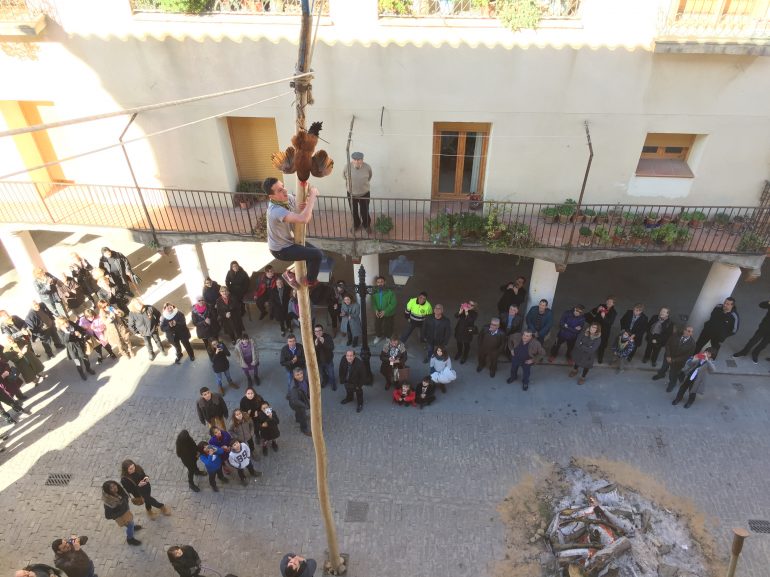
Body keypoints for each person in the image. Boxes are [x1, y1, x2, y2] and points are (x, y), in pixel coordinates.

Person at [263, 178, 324, 289]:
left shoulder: (288, 199)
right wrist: (312, 197)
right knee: (317, 255)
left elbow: (306, 216)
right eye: (279, 190)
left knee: (315, 254)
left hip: (289, 241)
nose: (285, 191)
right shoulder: (275, 210)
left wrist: (306, 207)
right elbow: (304, 218)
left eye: (283, 186)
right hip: (280, 250)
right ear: (272, 197)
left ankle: (289, 273)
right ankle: (310, 281)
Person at [653, 325, 696, 392]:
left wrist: (673, 360)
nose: (688, 332)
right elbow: (668, 344)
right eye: (687, 330)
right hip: (668, 356)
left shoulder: (692, 343)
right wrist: (668, 356)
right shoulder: (675, 335)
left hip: (678, 362)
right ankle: (661, 374)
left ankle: (672, 384)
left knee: (673, 374)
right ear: (684, 330)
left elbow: (687, 356)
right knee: (664, 367)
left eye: (690, 331)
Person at [101, 480, 142, 545]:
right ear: (108, 490)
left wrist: (125, 503)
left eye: (114, 485)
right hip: (121, 516)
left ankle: (133, 527)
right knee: (130, 526)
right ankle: (130, 539)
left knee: (131, 522)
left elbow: (125, 496)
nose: (114, 487)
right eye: (111, 487)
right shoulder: (108, 502)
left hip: (126, 511)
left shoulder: (119, 490)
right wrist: (122, 511)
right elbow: (108, 516)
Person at [343, 150, 373, 232]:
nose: (356, 161)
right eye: (354, 159)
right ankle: (356, 224)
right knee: (354, 211)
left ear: (362, 160)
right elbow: (344, 176)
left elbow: (369, 177)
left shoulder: (367, 167)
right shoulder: (347, 167)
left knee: (365, 211)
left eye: (359, 159)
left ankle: (366, 225)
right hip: (351, 194)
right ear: (352, 160)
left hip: (365, 193)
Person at [586, 296, 617, 364]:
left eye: (610, 302)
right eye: (607, 301)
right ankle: (589, 354)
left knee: (602, 344)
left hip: (604, 330)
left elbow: (610, 322)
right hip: (596, 327)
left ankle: (600, 357)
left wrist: (604, 317)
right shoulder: (601, 305)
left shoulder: (614, 312)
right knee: (592, 341)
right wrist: (597, 309)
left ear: (613, 304)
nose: (608, 303)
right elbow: (593, 312)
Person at [372, 275, 396, 345]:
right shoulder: (374, 292)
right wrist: (376, 310)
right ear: (376, 283)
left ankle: (388, 337)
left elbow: (393, 303)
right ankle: (378, 336)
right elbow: (373, 302)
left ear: (385, 282)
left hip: (388, 312)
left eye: (381, 282)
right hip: (379, 312)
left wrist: (385, 311)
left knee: (388, 325)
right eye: (378, 282)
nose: (380, 283)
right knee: (377, 325)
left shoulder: (390, 292)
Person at [287, 367, 311, 436]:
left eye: (301, 373)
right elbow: (296, 401)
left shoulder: (304, 378)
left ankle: (297, 419)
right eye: (298, 374)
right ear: (294, 376)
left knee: (299, 413)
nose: (300, 376)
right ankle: (304, 429)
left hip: (301, 399)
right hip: (296, 403)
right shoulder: (294, 387)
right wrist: (305, 405)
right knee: (302, 415)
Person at [313, 324, 336, 390]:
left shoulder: (328, 337)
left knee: (331, 374)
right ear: (314, 332)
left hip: (328, 360)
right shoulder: (313, 339)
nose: (318, 332)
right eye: (316, 331)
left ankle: (333, 383)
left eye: (320, 330)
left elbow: (332, 347)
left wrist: (324, 342)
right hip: (319, 362)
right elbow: (311, 352)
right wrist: (315, 345)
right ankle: (325, 380)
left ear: (322, 331)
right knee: (322, 373)